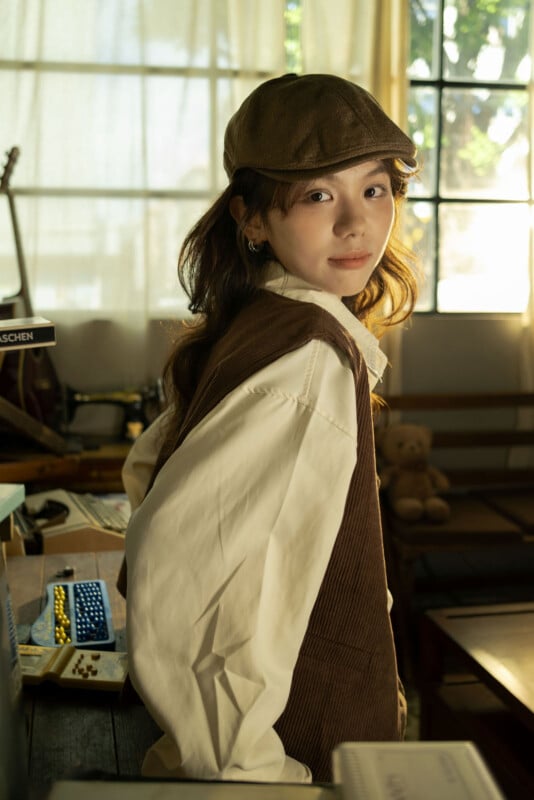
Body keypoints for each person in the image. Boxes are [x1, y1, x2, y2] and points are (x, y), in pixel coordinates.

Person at [122, 72, 419, 785]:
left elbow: (147, 473)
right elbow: (185, 570)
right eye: (319, 195)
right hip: (293, 758)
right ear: (252, 219)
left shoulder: (260, 318)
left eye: (373, 189)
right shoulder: (308, 357)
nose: (357, 223)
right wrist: (248, 771)